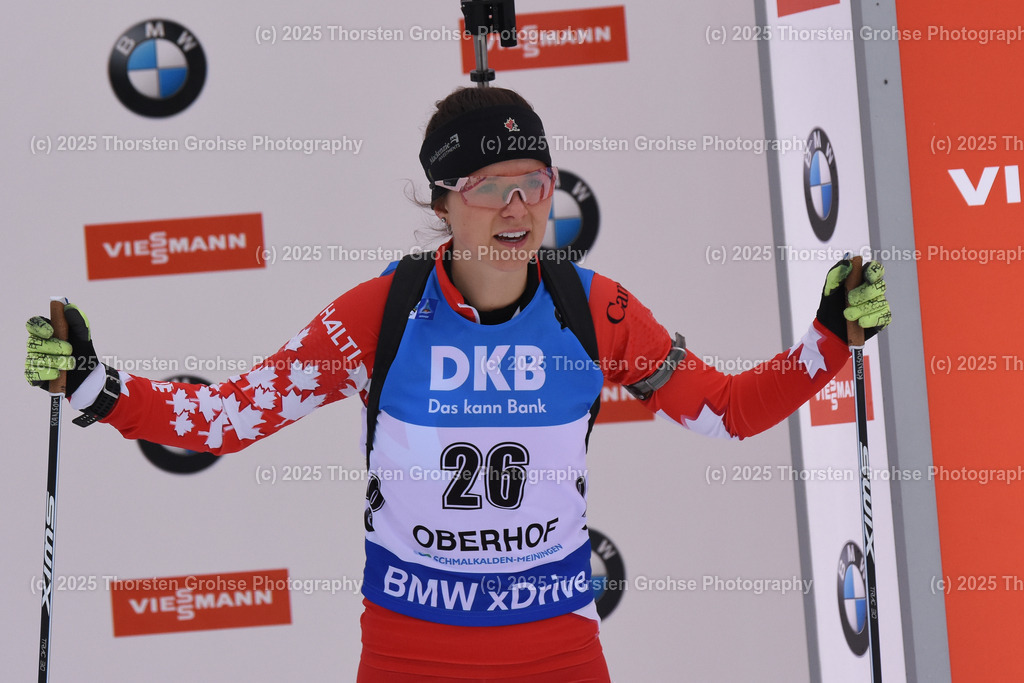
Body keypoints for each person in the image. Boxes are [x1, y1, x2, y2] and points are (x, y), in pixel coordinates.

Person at [25, 86, 891, 682]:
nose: (518, 208)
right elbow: (224, 418)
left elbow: (726, 412)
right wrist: (97, 384)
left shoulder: (599, 312)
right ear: (443, 200)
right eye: (490, 189)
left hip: (558, 651)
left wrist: (827, 339)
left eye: (535, 186)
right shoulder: (383, 314)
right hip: (412, 653)